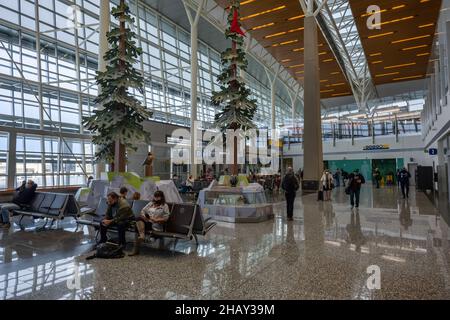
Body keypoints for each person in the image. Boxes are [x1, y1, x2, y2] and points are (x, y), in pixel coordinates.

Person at [129, 191, 170, 256]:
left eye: (158, 197)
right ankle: (142, 236)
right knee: (138, 219)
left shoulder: (165, 206)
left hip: (155, 224)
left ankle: (135, 250)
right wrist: (145, 217)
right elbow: (142, 211)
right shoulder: (151, 203)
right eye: (155, 196)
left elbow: (166, 218)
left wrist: (156, 219)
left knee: (137, 225)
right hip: (147, 221)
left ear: (161, 197)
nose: (156, 198)